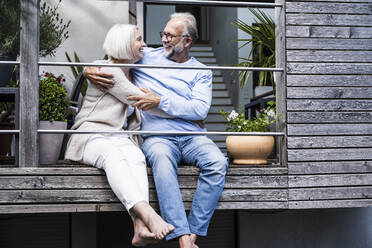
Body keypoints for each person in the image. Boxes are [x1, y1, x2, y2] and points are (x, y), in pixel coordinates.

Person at [85, 13, 228, 248]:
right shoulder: (145, 57)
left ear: (187, 41)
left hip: (192, 137)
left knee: (218, 162)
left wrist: (161, 101)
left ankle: (192, 234)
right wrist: (88, 69)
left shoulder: (202, 72)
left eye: (171, 36)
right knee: (162, 162)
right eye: (163, 34)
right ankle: (182, 238)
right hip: (158, 137)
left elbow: (199, 109)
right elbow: (112, 60)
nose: (164, 39)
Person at [64, 24, 174, 247]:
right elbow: (141, 100)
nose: (144, 44)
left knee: (136, 157)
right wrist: (175, 106)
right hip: (90, 134)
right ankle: (149, 215)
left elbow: (161, 57)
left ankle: (139, 228)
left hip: (118, 136)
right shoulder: (108, 70)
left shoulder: (133, 72)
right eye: (138, 39)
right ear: (124, 44)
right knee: (113, 156)